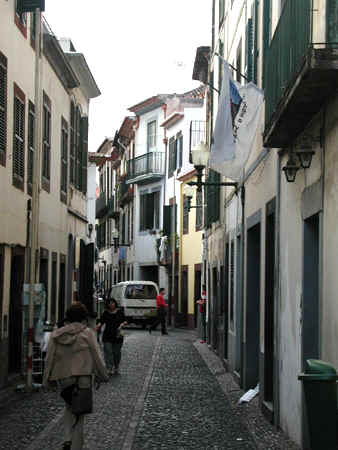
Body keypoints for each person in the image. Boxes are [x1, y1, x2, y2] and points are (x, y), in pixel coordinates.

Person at [43, 303, 109, 450]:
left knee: (69, 406)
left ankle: (67, 439)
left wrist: (46, 379)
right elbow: (97, 356)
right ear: (83, 318)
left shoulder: (57, 334)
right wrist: (103, 375)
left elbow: (49, 358)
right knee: (80, 412)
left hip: (64, 377)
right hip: (84, 377)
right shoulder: (88, 333)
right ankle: (75, 445)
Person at [96, 298, 128, 375]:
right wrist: (98, 326)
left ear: (115, 303)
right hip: (107, 335)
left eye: (112, 303)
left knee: (116, 352)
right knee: (108, 352)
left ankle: (116, 366)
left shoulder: (120, 312)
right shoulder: (106, 313)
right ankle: (109, 368)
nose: (111, 304)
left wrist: (122, 324)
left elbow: (126, 320)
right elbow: (101, 321)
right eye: (109, 303)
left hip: (118, 335)